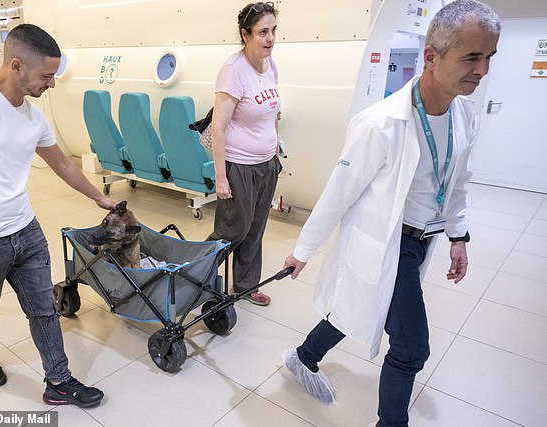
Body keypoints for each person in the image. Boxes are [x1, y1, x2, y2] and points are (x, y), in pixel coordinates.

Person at [281, 1, 500, 425]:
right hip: (387, 242)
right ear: (432, 57)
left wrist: (458, 237)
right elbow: (337, 194)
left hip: (424, 240)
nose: (482, 69)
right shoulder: (380, 123)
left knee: (362, 306)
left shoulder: (464, 116)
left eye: (489, 57)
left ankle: (303, 356)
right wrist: (303, 250)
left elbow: (456, 185)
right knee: (411, 346)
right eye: (472, 57)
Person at [0, 24, 115, 408]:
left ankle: (58, 381)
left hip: (25, 233)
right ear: (16, 66)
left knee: (44, 309)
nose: (52, 84)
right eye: (47, 76)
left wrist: (99, 197)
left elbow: (61, 164)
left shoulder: (32, 117)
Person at [207, 2, 283, 306]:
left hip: (267, 163)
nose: (270, 38)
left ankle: (245, 286)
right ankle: (198, 279)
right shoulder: (233, 71)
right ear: (245, 34)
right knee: (232, 230)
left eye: (274, 30)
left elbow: (273, 110)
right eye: (263, 32)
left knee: (255, 228)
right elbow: (218, 128)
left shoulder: (270, 64)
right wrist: (221, 177)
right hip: (238, 165)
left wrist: (276, 147)